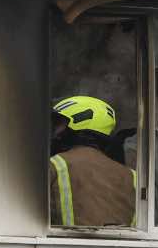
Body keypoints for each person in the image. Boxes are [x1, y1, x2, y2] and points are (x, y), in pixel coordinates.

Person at [48, 95, 135, 228]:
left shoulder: (55, 165)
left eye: (58, 125)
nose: (54, 133)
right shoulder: (133, 177)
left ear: (77, 124)